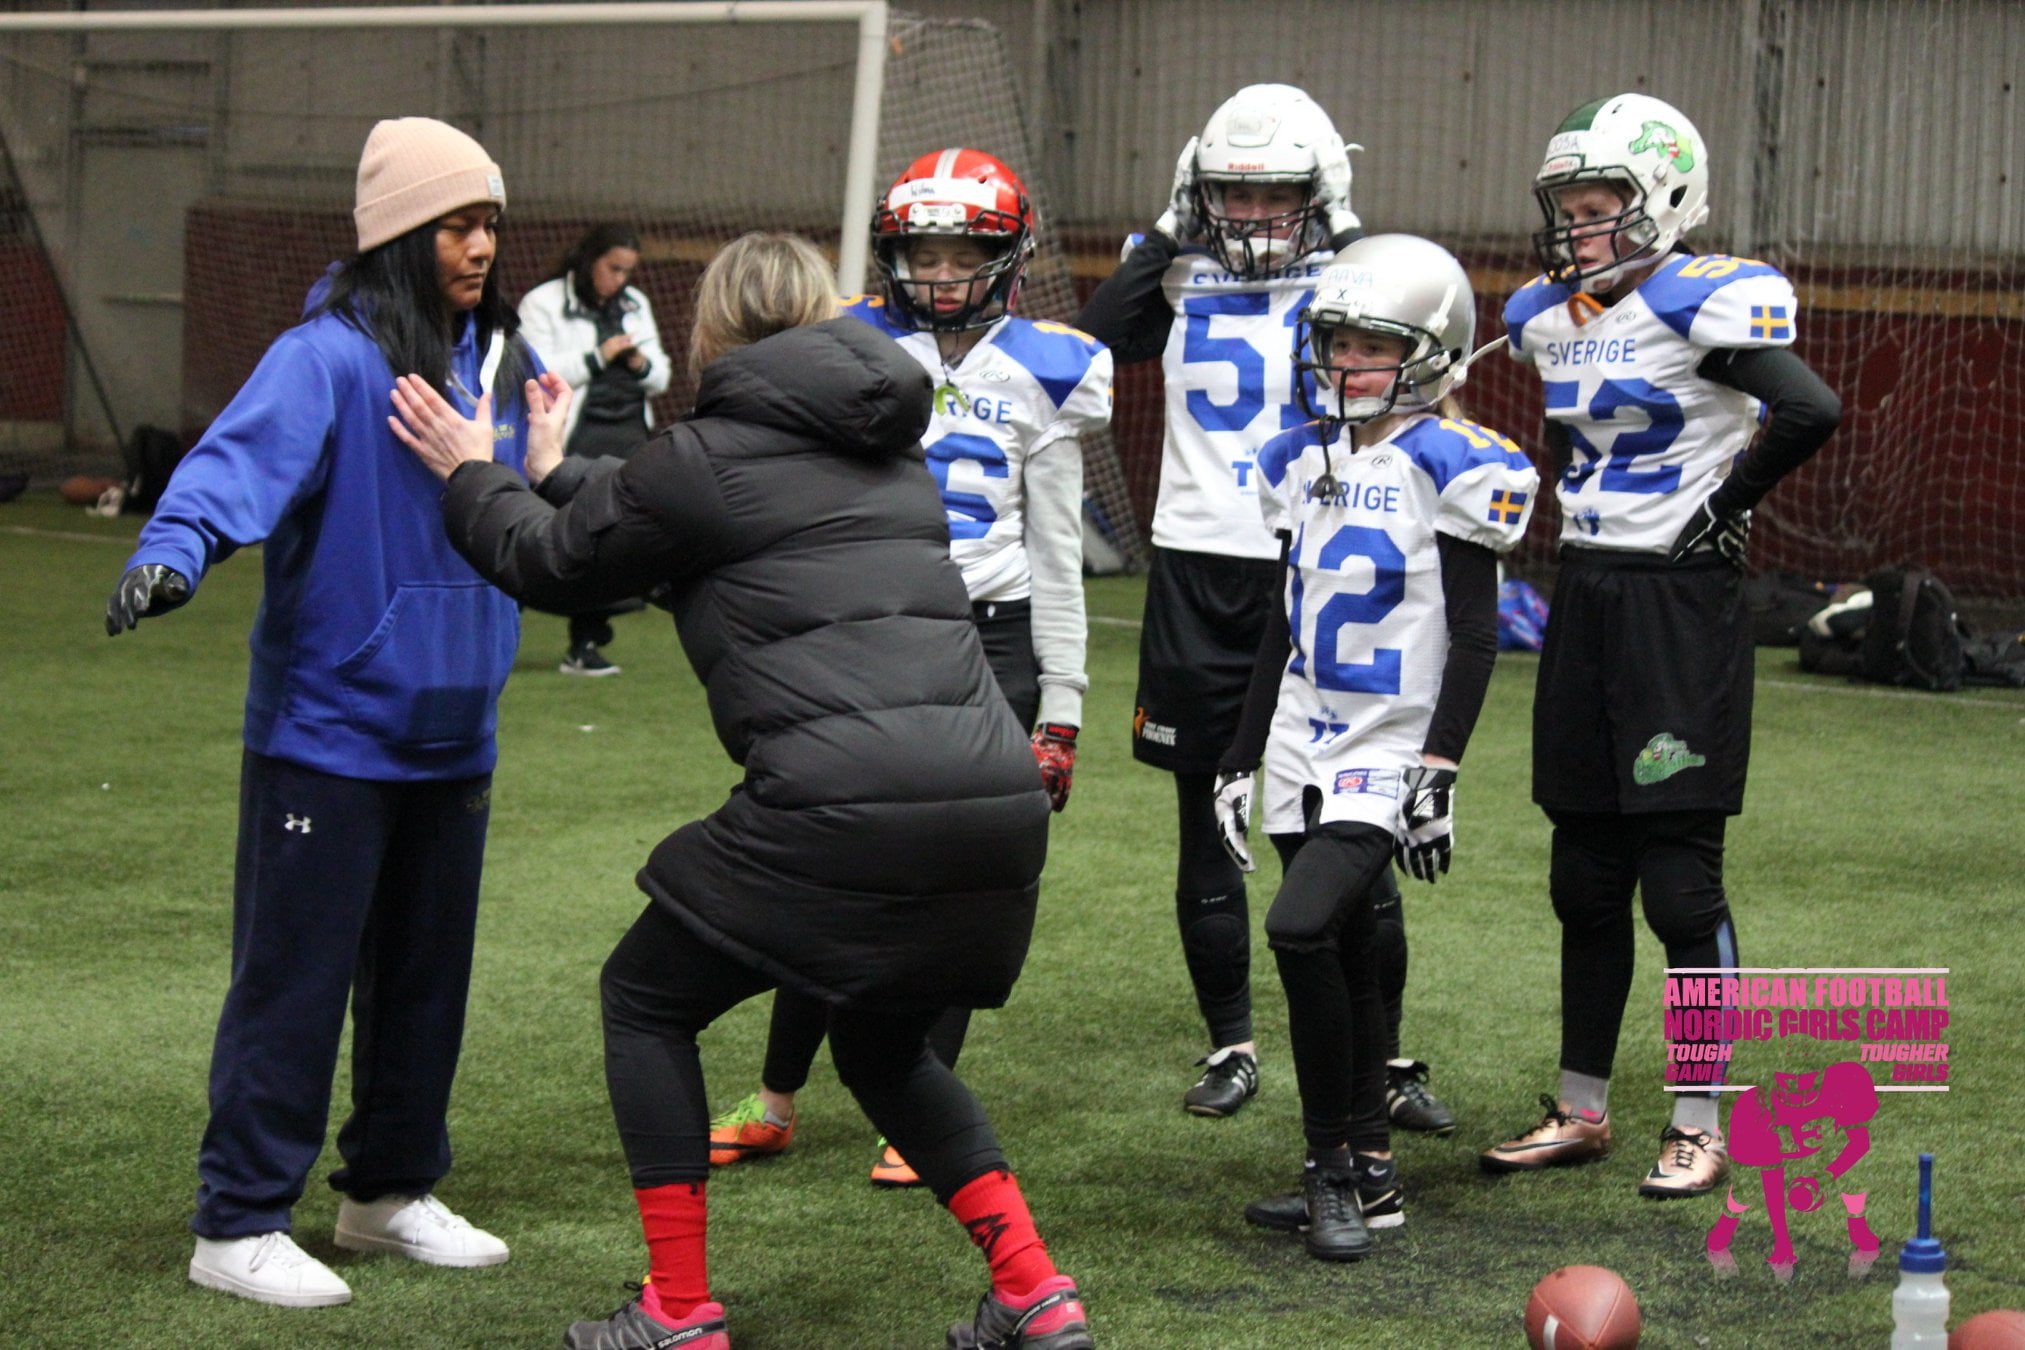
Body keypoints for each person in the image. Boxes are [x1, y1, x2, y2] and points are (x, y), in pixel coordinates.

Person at [389, 231, 1094, 1350]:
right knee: (885, 1050)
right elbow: (701, 534)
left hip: (846, 800)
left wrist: (469, 471)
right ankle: (1037, 1295)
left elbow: (557, 563)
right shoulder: (891, 450)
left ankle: (676, 1310)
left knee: (646, 997)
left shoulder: (703, 456)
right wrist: (551, 466)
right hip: (992, 794)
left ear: (712, 332)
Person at [103, 117, 543, 1308]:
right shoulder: (329, 356)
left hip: (458, 732)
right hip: (331, 734)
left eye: (492, 222)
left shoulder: (489, 365)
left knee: (424, 985)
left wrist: (541, 468)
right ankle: (237, 1221)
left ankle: (386, 1195)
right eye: (459, 222)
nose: (482, 245)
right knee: (291, 985)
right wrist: (176, 548)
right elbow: (228, 465)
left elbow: (514, 524)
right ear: (402, 233)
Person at [707, 148, 1111, 1188]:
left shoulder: (1050, 366)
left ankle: (918, 1099)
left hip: (995, 632)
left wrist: (1060, 707)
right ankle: (778, 1092)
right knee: (827, 854)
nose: (937, 273)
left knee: (961, 879)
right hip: (876, 619)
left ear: (1006, 255)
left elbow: (1058, 554)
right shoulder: (842, 340)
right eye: (920, 251)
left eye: (960, 251)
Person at [1478, 94, 1840, 1199]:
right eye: (1570, 208)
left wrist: (1728, 504)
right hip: (1589, 593)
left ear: (1666, 200)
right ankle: (1582, 1109)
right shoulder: (1549, 312)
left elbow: (1809, 409)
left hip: (1681, 606)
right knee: (1583, 877)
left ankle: (1699, 1122)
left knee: (1678, 884)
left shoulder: (1706, 295)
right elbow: (1569, 433)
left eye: (1602, 207)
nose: (1580, 227)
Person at [1075, 84, 1453, 1131]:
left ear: (1320, 189)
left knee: (1345, 821)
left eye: (1272, 192)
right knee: (1205, 818)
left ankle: (1380, 1055)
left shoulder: (1356, 272)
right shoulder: (1179, 269)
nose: (1247, 214)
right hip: (1197, 565)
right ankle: (1232, 1042)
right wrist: (1162, 225)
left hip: (1317, 566)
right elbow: (1097, 339)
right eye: (1228, 192)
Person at [1206, 236, 1536, 1260]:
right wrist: (1238, 753)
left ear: (1432, 353)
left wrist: (1440, 769)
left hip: (1390, 742)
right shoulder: (1295, 455)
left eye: (1370, 346)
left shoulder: (1456, 460)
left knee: (1300, 930)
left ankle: (1329, 1167)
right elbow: (1281, 622)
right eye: (1335, 342)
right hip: (1306, 737)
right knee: (1340, 953)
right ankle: (1371, 1177)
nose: (1345, 364)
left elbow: (1477, 638)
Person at [516, 223, 672, 676]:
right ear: (590, 261)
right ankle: (498, 632)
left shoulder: (635, 304)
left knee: (610, 541)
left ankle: (585, 645)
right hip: (570, 439)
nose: (621, 279)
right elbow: (535, 370)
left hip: (626, 436)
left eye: (628, 271)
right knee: (539, 534)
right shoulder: (543, 302)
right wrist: (599, 355)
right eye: (613, 268)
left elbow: (661, 374)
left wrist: (639, 362)